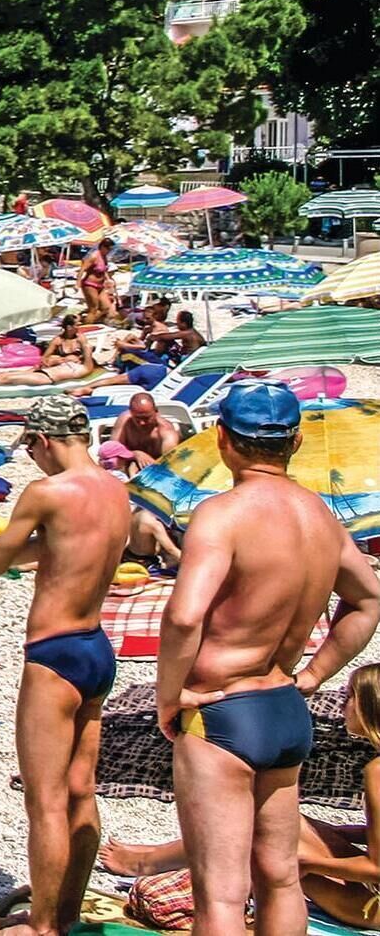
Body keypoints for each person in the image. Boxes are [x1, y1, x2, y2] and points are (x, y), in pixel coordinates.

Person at [156, 380, 380, 936]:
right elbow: (369, 599)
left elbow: (184, 616)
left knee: (222, 896)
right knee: (280, 878)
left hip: (223, 710)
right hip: (285, 708)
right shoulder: (321, 518)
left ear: (223, 440)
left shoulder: (222, 515)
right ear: (296, 441)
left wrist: (170, 697)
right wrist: (314, 674)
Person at [0, 395, 131, 936]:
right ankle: (66, 914)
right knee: (81, 791)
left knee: (44, 800)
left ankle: (43, 927)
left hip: (53, 655)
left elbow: (6, 556)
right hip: (97, 648)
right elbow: (60, 547)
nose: (31, 458)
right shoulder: (116, 491)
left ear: (44, 440)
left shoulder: (46, 492)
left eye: (30, 446)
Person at [101, 664, 380, 931]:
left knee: (267, 840)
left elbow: (375, 868)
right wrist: (338, 832)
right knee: (282, 826)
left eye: (350, 696)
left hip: (371, 905)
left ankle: (149, 863)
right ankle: (154, 857)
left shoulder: (377, 773)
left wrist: (303, 863)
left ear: (371, 709)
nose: (343, 703)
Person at [111, 393, 181, 475]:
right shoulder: (125, 420)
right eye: (137, 418)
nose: (142, 423)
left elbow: (169, 467)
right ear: (131, 413)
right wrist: (135, 454)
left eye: (146, 418)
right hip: (127, 465)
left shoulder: (167, 434)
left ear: (156, 411)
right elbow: (111, 450)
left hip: (155, 472)